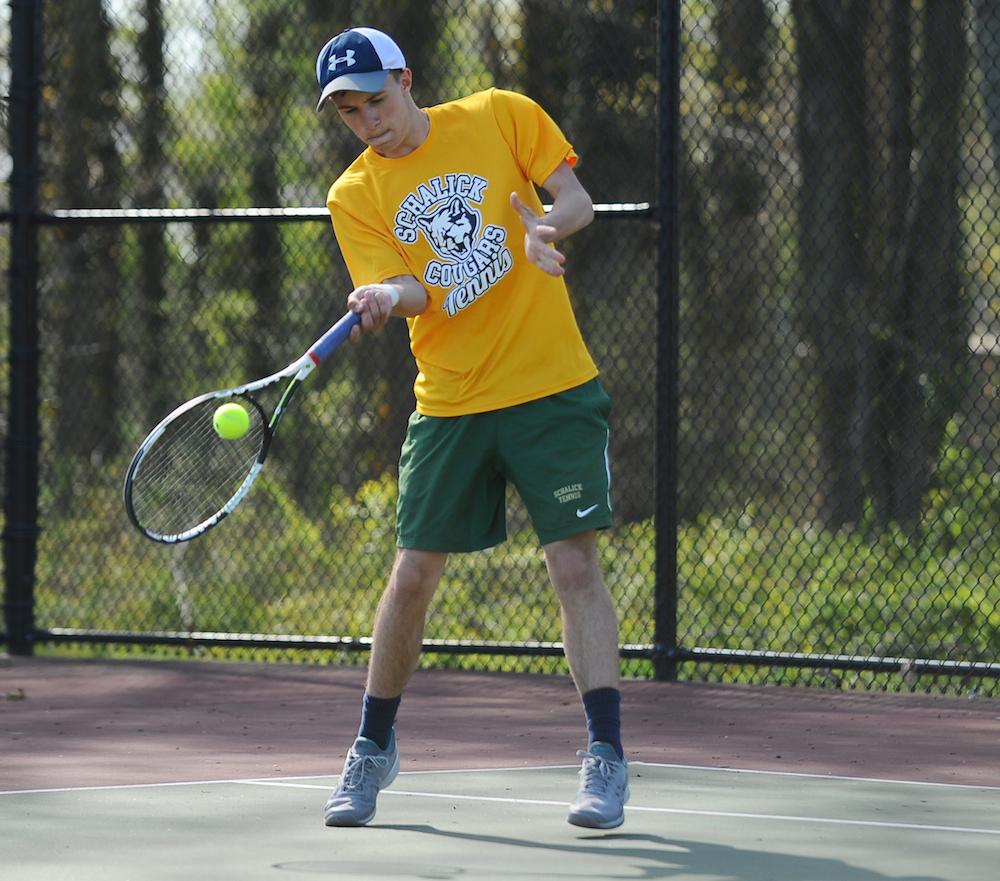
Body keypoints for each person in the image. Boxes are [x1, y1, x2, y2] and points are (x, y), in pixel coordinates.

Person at [314, 26, 628, 830]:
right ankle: (372, 745)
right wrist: (387, 296)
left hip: (551, 388)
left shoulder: (498, 115)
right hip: (450, 403)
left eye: (376, 101)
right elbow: (416, 291)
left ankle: (605, 756)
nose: (368, 121)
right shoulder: (354, 195)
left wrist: (546, 228)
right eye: (350, 112)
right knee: (412, 576)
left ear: (406, 80)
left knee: (572, 565)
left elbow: (576, 200)